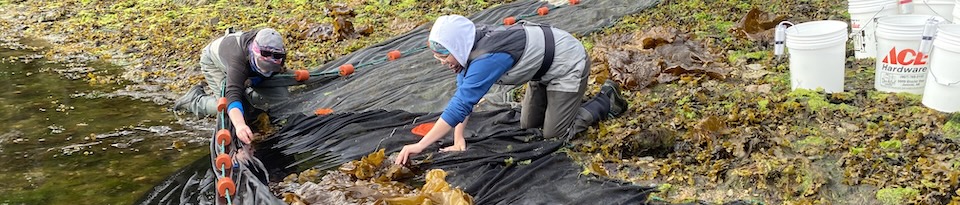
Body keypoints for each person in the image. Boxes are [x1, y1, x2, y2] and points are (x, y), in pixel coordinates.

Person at [394, 15, 628, 165]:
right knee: (528, 125)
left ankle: (606, 100)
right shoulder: (467, 50)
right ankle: (563, 102)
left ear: (458, 46)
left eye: (444, 55)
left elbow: (461, 104)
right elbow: (463, 94)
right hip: (540, 73)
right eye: (437, 57)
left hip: (568, 64)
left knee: (553, 135)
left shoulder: (488, 58)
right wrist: (457, 138)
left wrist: (420, 145)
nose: (442, 61)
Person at [174, 28, 290, 144]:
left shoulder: (278, 54)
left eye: (274, 61)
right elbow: (232, 95)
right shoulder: (238, 61)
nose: (267, 68)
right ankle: (194, 101)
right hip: (214, 62)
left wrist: (252, 81)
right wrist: (240, 126)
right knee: (227, 107)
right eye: (263, 63)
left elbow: (274, 73)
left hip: (245, 69)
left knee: (274, 95)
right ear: (254, 52)